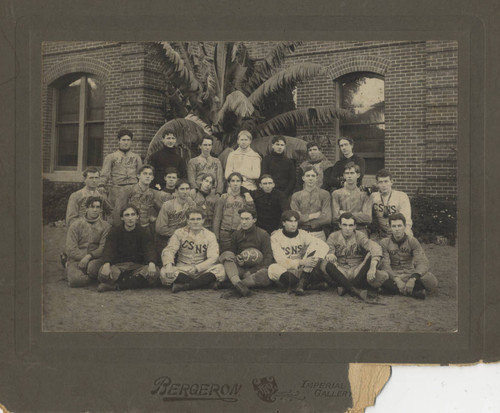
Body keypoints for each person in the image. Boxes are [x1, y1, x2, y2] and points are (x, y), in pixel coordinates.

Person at [321, 212, 389, 300]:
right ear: (339, 225)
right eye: (345, 225)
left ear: (355, 226)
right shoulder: (333, 236)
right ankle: (355, 290)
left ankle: (346, 287)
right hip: (341, 271)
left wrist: (372, 267)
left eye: (350, 225)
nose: (347, 228)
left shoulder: (359, 235)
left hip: (357, 270)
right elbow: (329, 253)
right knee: (327, 264)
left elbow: (374, 246)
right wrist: (330, 255)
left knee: (371, 256)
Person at [160, 208, 226, 292]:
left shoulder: (210, 235)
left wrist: (197, 267)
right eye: (192, 219)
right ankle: (206, 284)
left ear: (203, 221)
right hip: (183, 268)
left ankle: (185, 286)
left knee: (221, 269)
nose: (195, 222)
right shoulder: (179, 233)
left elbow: (213, 257)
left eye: (198, 219)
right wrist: (168, 265)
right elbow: (169, 250)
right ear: (188, 221)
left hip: (202, 269)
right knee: (163, 272)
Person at [97, 205, 160, 292]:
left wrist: (152, 263)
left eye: (133, 215)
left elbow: (150, 249)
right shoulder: (115, 231)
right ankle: (136, 283)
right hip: (119, 267)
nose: (130, 218)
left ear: (137, 217)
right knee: (102, 273)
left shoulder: (144, 231)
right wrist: (106, 264)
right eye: (127, 215)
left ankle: (117, 286)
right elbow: (109, 249)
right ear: (122, 218)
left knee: (155, 271)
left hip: (138, 267)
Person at [269, 210, 330, 295]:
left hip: (303, 269)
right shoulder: (275, 237)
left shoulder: (302, 233)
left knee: (318, 244)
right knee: (272, 268)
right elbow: (281, 261)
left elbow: (320, 245)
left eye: (295, 221)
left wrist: (310, 259)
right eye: (290, 221)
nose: (293, 224)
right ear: (283, 223)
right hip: (286, 270)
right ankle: (307, 285)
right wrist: (301, 262)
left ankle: (300, 284)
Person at [378, 213, 438, 299]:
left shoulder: (412, 241)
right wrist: (397, 279)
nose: (397, 229)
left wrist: (413, 278)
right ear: (390, 227)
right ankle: (414, 293)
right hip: (393, 275)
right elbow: (385, 265)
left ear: (405, 226)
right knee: (378, 276)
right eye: (394, 226)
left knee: (430, 279)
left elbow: (422, 262)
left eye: (399, 226)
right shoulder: (384, 242)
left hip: (410, 273)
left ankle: (393, 290)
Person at [219, 207, 273, 297]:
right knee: (227, 255)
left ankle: (234, 286)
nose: (244, 222)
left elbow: (268, 258)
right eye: (242, 219)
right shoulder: (236, 234)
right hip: (240, 269)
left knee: (264, 274)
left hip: (255, 271)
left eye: (247, 219)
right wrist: (238, 259)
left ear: (254, 220)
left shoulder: (263, 234)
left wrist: (252, 271)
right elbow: (233, 254)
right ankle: (239, 286)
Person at [63, 196, 111, 288]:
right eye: (92, 207)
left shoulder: (106, 226)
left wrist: (89, 257)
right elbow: (71, 248)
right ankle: (72, 269)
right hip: (77, 259)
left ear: (101, 209)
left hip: (95, 259)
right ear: (87, 208)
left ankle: (90, 276)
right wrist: (83, 257)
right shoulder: (76, 225)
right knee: (75, 281)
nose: (95, 210)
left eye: (98, 207)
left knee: (93, 268)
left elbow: (102, 247)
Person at [213, 172, 255, 252]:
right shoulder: (223, 198)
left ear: (241, 183)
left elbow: (252, 216)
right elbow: (217, 218)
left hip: (240, 232)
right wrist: (216, 237)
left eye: (238, 181)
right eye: (232, 181)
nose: (235, 184)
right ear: (229, 183)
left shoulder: (246, 198)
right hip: (225, 233)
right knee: (227, 255)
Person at [113, 165, 164, 231]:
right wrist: (119, 229)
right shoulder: (127, 190)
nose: (148, 176)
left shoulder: (154, 193)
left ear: (152, 178)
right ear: (138, 176)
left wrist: (155, 219)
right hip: (128, 228)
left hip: (145, 228)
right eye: (145, 173)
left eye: (150, 174)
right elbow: (118, 211)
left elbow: (163, 211)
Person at [101, 129, 143, 207]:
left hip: (134, 189)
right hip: (118, 189)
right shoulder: (111, 157)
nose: (126, 142)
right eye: (123, 140)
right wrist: (101, 185)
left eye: (128, 140)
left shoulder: (136, 157)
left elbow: (140, 174)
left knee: (135, 212)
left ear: (131, 142)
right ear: (119, 141)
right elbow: (104, 174)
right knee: (118, 213)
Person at [155, 179, 196, 254]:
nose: (185, 191)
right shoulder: (167, 205)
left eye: (187, 189)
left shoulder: (192, 204)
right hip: (167, 238)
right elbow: (160, 229)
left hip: (185, 239)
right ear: (176, 191)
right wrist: (179, 234)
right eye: (182, 189)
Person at [290, 166, 332, 241]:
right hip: (301, 233)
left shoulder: (324, 194)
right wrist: (313, 215)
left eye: (313, 176)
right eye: (308, 175)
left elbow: (327, 218)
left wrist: (304, 218)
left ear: (317, 178)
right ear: (303, 178)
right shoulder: (296, 196)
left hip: (319, 233)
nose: (310, 178)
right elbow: (295, 219)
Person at [369, 169, 413, 238]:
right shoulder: (373, 197)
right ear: (377, 184)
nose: (383, 185)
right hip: (382, 233)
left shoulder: (401, 196)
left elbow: (406, 221)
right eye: (380, 182)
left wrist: (398, 232)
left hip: (400, 231)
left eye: (386, 181)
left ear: (391, 182)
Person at [331, 162, 372, 233]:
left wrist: (344, 213)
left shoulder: (364, 194)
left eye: (352, 173)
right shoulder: (336, 194)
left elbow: (367, 218)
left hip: (359, 230)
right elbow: (335, 218)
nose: (349, 176)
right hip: (341, 231)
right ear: (344, 175)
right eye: (347, 173)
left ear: (358, 175)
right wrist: (358, 214)